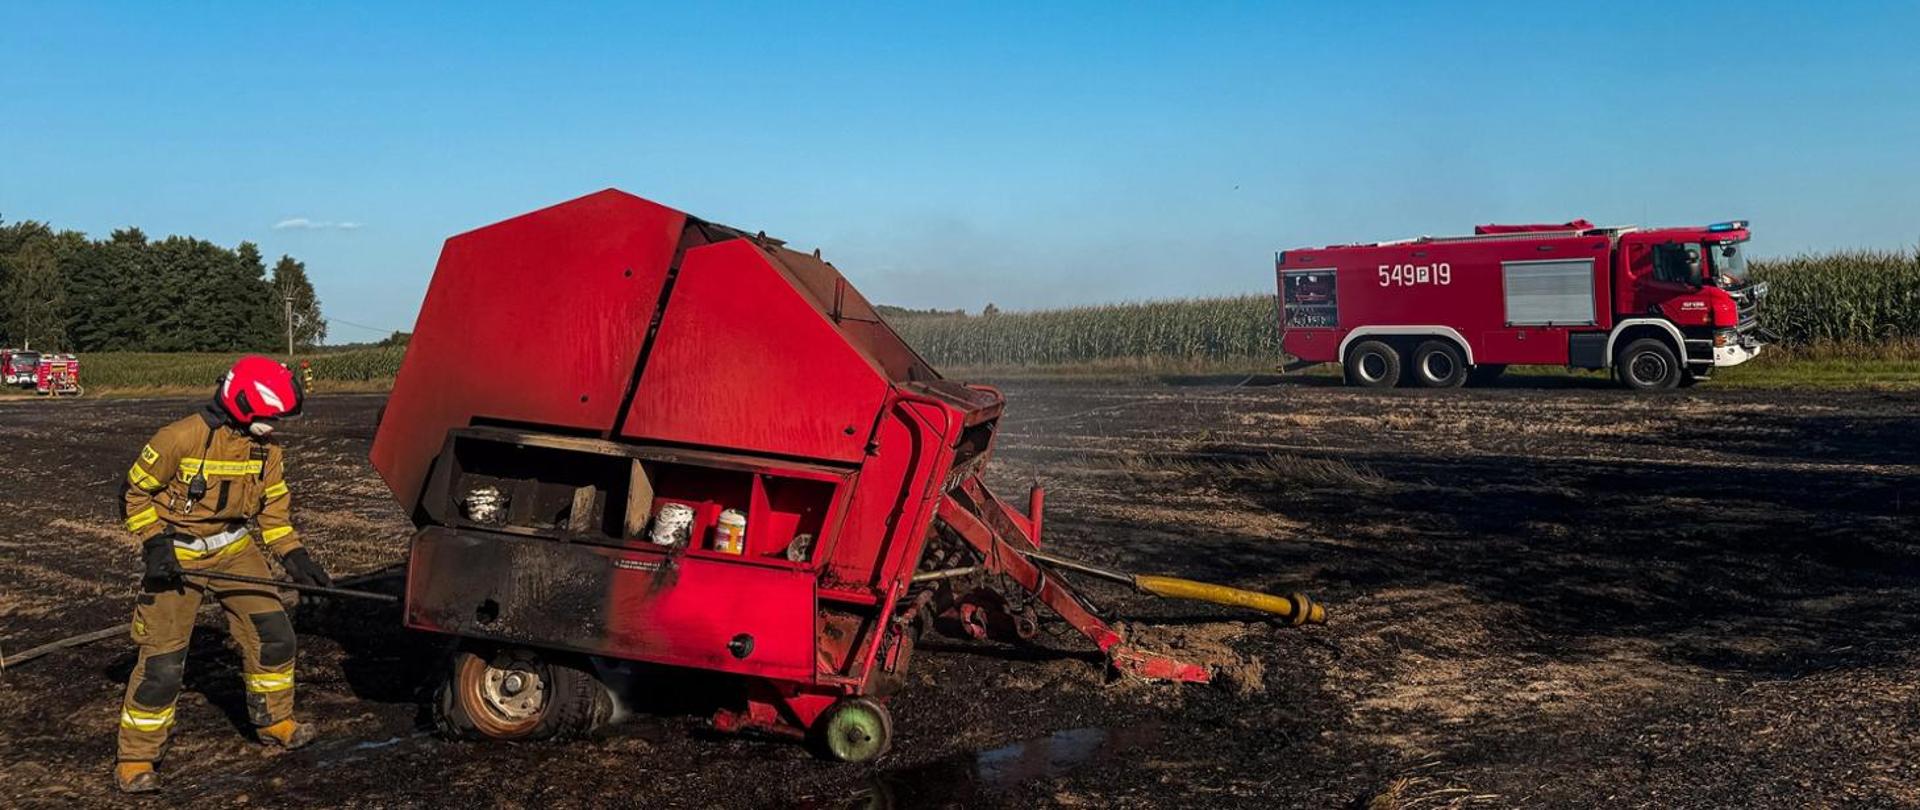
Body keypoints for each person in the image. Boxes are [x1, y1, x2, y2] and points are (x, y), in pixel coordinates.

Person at [112, 355, 333, 793]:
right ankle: (135, 759)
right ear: (244, 403)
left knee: (275, 634)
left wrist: (296, 558)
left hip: (234, 549)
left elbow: (274, 515)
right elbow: (133, 493)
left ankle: (276, 722)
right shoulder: (179, 438)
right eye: (272, 417)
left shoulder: (266, 452)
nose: (276, 427)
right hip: (177, 559)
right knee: (163, 663)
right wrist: (156, 545)